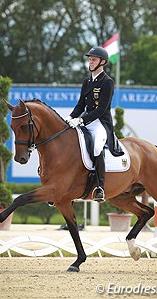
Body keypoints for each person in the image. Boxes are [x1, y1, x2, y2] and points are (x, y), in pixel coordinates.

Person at [67, 46, 123, 202]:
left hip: (100, 123)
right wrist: (71, 117)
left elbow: (101, 109)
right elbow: (80, 105)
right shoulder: (87, 81)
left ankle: (100, 186)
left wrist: (81, 120)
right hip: (85, 120)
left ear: (102, 62)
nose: (90, 62)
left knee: (97, 147)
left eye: (93, 60)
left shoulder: (107, 82)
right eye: (89, 59)